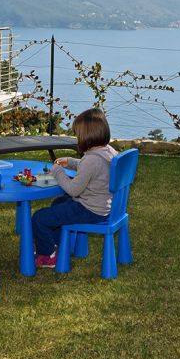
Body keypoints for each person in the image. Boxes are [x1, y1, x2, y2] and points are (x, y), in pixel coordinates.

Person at [32, 108, 117, 269]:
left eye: (78, 134)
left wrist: (58, 172)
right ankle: (57, 243)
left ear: (86, 136)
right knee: (58, 203)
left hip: (89, 210)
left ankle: (46, 255)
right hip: (104, 207)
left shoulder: (91, 160)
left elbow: (73, 190)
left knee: (39, 218)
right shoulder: (108, 152)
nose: (77, 138)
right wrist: (71, 162)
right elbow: (94, 170)